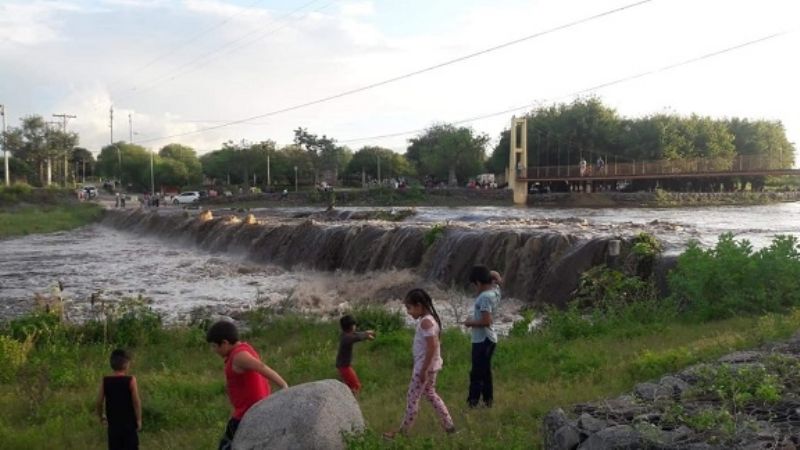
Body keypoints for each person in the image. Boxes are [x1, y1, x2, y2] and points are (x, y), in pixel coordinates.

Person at [206, 321, 289, 450]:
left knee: (226, 446)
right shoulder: (243, 349)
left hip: (247, 413)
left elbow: (262, 367)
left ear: (225, 343)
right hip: (251, 410)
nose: (214, 350)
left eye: (214, 346)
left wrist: (284, 385)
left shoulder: (239, 356)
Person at [384, 289, 455, 439]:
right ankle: (449, 426)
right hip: (431, 367)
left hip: (424, 369)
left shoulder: (426, 322)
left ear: (419, 305)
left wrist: (423, 370)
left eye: (409, 308)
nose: (408, 312)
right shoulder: (431, 319)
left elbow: (432, 347)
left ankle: (403, 433)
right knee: (431, 395)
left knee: (412, 399)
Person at [462, 265, 499, 408]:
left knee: (476, 373)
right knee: (485, 372)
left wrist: (469, 323)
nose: (474, 289)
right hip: (490, 339)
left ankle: (473, 402)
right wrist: (492, 274)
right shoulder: (495, 292)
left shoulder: (484, 298)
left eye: (474, 285)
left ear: (478, 282)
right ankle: (488, 400)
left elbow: (486, 321)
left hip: (482, 340)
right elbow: (496, 274)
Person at [96, 349, 142, 450]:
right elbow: (136, 402)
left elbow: (99, 402)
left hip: (113, 426)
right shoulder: (131, 380)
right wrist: (138, 420)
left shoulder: (105, 381)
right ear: (126, 364)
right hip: (129, 425)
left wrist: (101, 416)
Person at [335, 315, 375, 395]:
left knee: (349, 386)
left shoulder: (344, 334)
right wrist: (367, 336)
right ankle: (352, 403)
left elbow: (355, 334)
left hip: (343, 365)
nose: (355, 326)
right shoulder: (347, 338)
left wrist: (366, 333)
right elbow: (356, 337)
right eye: (354, 325)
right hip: (344, 367)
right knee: (356, 386)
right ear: (351, 326)